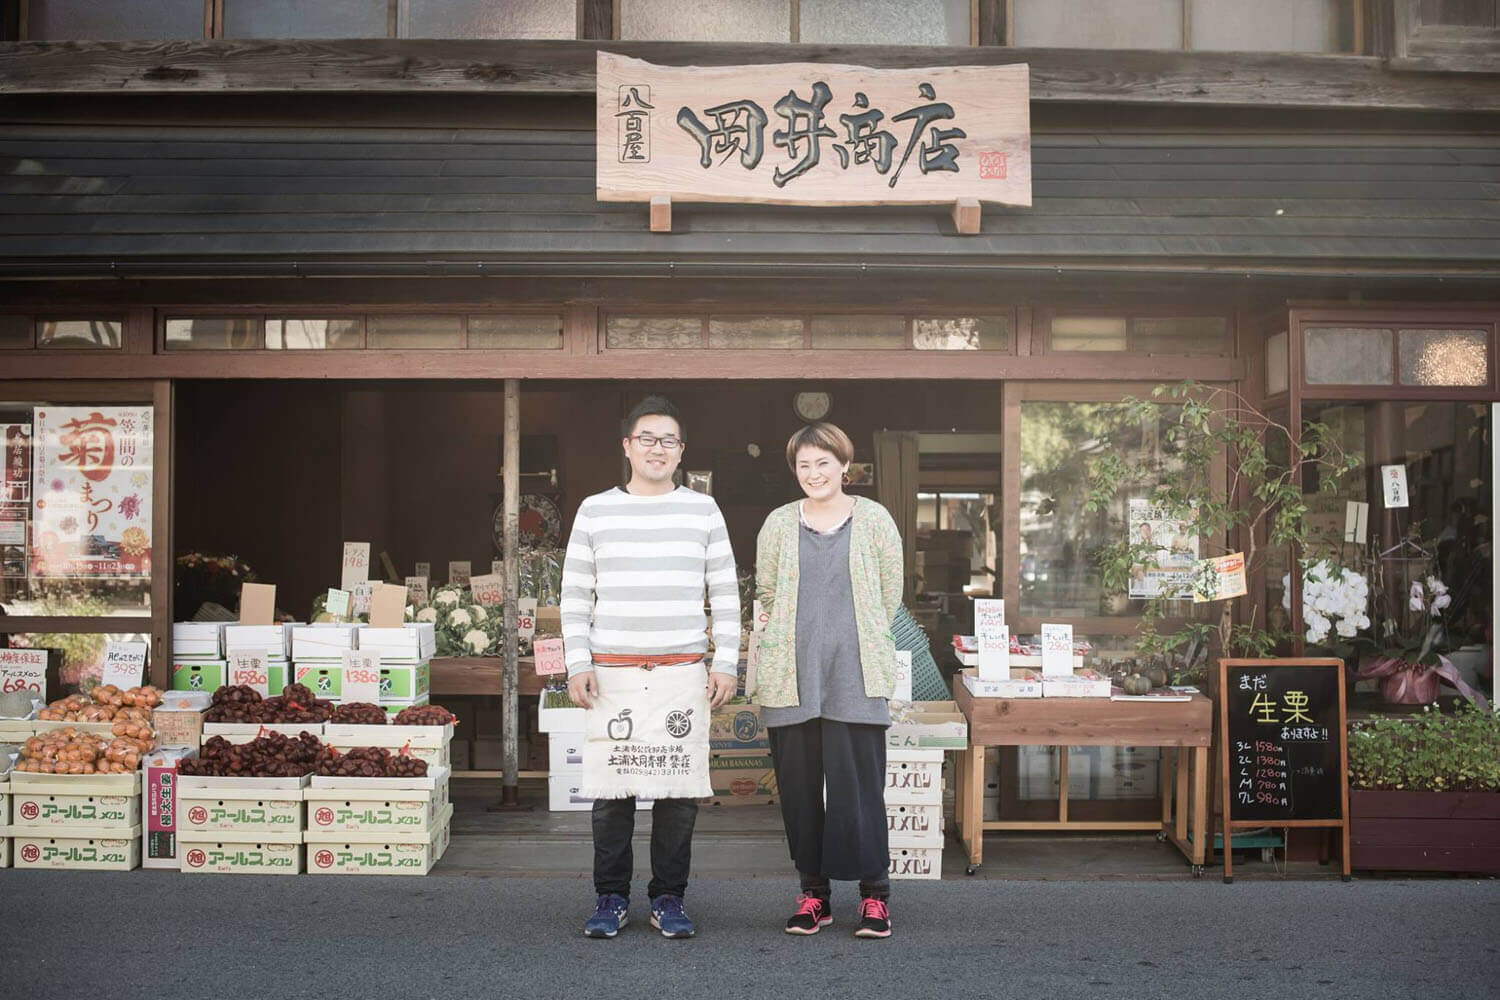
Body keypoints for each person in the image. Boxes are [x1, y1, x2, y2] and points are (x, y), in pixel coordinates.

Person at [562, 395, 740, 940]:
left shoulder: (703, 510)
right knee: (612, 796)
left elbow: (725, 591)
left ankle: (669, 897)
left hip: (682, 669)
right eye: (647, 439)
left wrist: (727, 661)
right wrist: (577, 662)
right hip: (611, 673)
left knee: (678, 793)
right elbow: (574, 593)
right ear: (627, 446)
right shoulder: (595, 509)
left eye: (668, 441)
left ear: (681, 451)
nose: (657, 449)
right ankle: (610, 897)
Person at [755, 421, 904, 940]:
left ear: (845, 465)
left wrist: (850, 639)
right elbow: (769, 594)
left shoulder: (876, 520)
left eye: (824, 463)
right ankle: (814, 894)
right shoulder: (777, 523)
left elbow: (890, 593)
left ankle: (874, 896)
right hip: (790, 675)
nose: (814, 473)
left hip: (856, 675)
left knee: (860, 788)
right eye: (803, 465)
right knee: (798, 791)